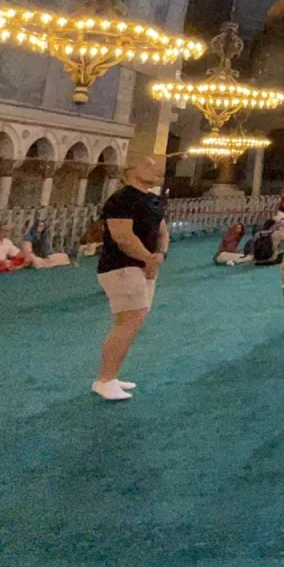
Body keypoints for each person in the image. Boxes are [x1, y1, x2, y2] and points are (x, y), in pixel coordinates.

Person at [92, 156, 168, 401]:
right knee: (128, 321)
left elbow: (162, 231)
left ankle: (111, 376)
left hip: (145, 267)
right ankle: (105, 380)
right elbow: (123, 236)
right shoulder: (121, 200)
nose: (155, 170)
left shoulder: (154, 200)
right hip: (122, 266)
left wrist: (159, 255)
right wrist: (148, 258)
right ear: (131, 170)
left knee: (134, 320)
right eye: (148, 165)